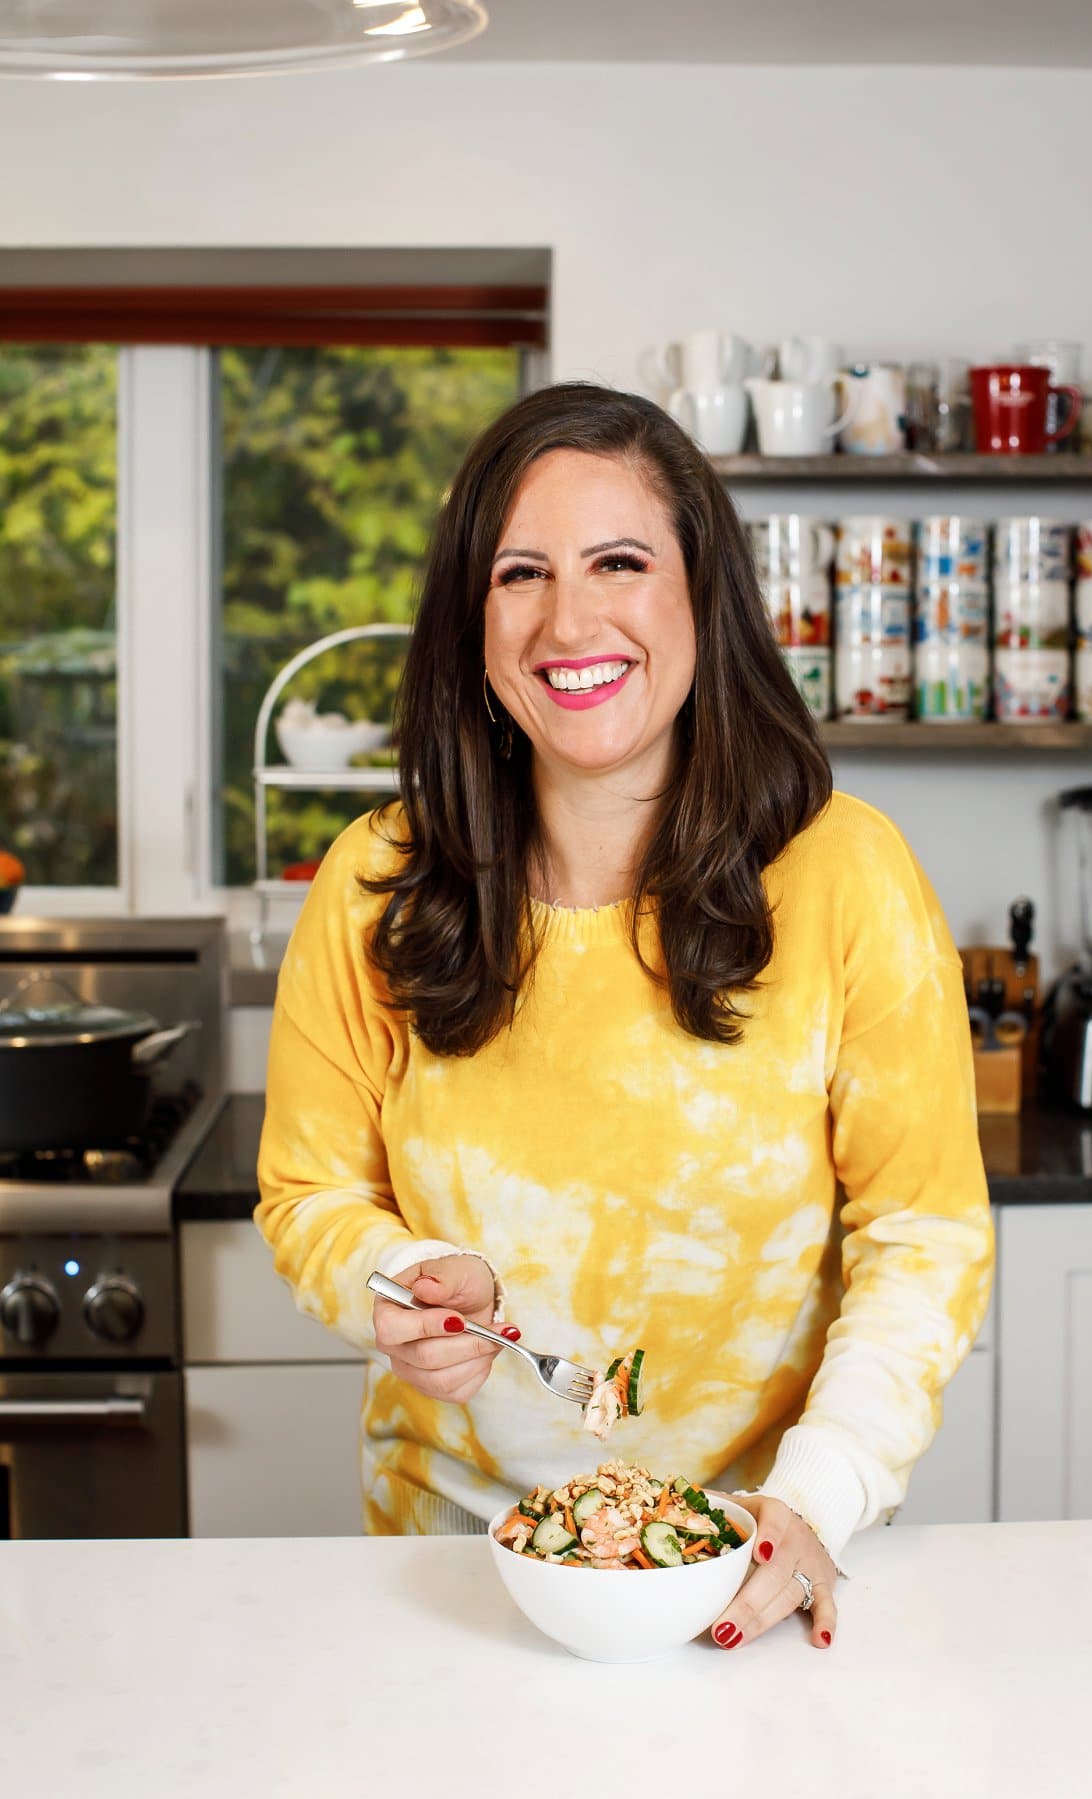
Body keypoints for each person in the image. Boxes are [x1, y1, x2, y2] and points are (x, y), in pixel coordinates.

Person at [256, 382, 993, 1654]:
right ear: (473, 623)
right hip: (451, 1576)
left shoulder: (846, 874)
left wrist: (808, 1503)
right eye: (521, 572)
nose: (568, 617)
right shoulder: (374, 883)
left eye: (619, 561)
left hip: (751, 1565)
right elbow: (306, 1190)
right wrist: (396, 1281)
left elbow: (924, 1236)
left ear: (700, 595)